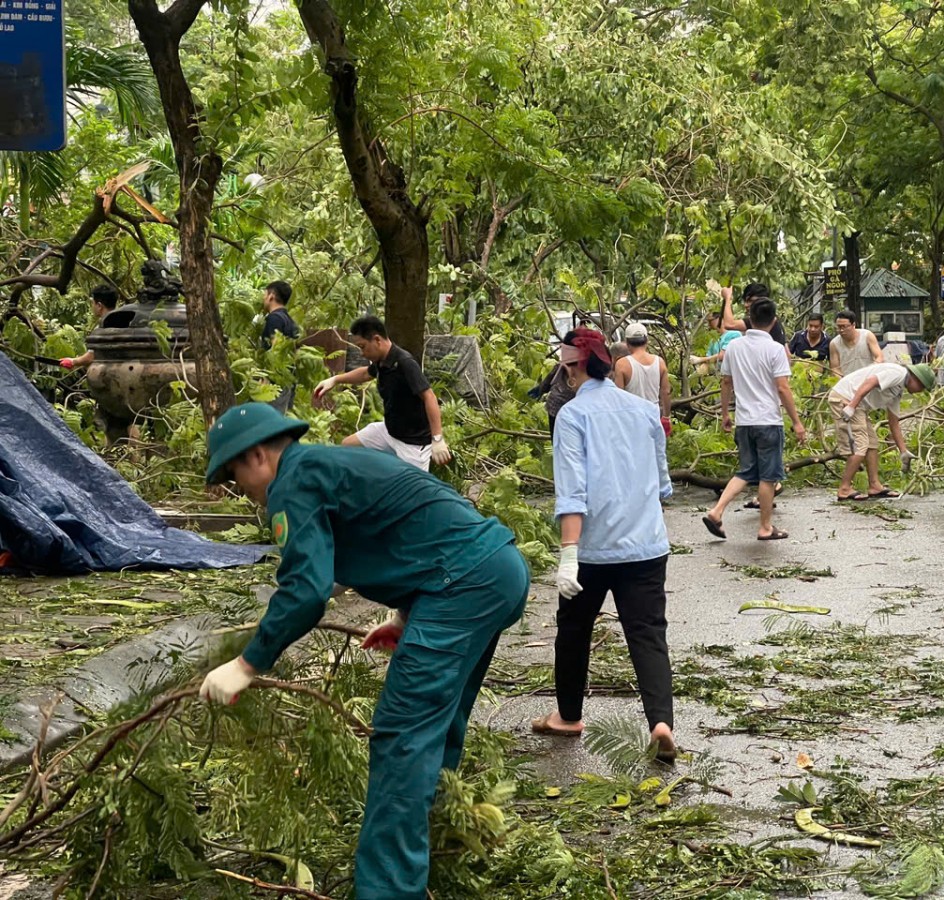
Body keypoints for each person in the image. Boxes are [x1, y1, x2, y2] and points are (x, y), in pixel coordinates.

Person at [199, 403, 528, 900]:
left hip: (461, 585)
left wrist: (248, 663)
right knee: (437, 731)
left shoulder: (294, 482)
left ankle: (389, 891)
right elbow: (418, 523)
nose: (241, 489)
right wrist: (404, 616)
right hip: (495, 569)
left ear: (258, 455)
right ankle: (443, 844)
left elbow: (305, 592)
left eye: (233, 475)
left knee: (402, 738)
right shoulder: (339, 464)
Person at [534, 329, 676, 760]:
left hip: (593, 549)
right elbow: (662, 481)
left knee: (574, 631)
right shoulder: (643, 411)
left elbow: (572, 492)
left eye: (565, 367)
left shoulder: (573, 417)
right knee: (648, 633)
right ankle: (661, 723)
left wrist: (568, 555)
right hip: (647, 544)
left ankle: (569, 716)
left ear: (574, 368)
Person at [701, 299, 806, 541]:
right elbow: (782, 388)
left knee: (747, 471)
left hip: (744, 420)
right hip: (768, 420)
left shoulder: (735, 347)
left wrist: (726, 413)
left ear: (750, 320)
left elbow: (726, 382)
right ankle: (765, 527)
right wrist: (797, 422)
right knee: (768, 476)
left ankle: (716, 511)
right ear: (774, 321)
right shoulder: (775, 350)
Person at [313, 316, 450, 471]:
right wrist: (335, 380)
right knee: (347, 446)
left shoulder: (405, 363)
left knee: (410, 493)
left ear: (377, 340)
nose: (362, 353)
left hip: (413, 444)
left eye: (362, 346)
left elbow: (429, 397)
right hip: (388, 432)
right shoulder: (382, 360)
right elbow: (365, 374)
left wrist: (437, 439)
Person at [828, 362, 935, 501]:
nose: (920, 391)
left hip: (858, 405)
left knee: (872, 443)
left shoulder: (897, 390)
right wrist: (852, 406)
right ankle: (844, 488)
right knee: (860, 445)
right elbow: (870, 381)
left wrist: (903, 451)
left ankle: (875, 485)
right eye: (922, 387)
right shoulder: (898, 373)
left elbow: (893, 422)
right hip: (846, 398)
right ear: (917, 379)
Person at [614, 322, 671, 433]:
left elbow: (618, 397)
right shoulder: (659, 362)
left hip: (631, 420)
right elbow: (666, 391)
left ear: (627, 343)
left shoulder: (622, 364)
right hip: (653, 418)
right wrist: (666, 417)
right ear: (647, 341)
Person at [261, 280, 301, 412]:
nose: (263, 297)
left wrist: (266, 377)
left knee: (270, 422)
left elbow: (276, 351)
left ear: (271, 296)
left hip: (275, 382)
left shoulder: (275, 319)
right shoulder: (289, 319)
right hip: (287, 379)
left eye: (265, 294)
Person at [59, 285, 119, 370]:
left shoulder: (102, 328)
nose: (92, 306)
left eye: (92, 302)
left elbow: (91, 356)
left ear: (99, 305)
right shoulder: (123, 321)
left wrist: (72, 361)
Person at [720, 283, 788, 347]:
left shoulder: (761, 319)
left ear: (763, 301)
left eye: (751, 301)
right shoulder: (773, 319)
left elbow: (729, 324)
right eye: (746, 301)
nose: (746, 305)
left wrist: (728, 298)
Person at [829, 309, 883, 377]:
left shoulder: (867, 336)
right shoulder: (834, 343)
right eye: (839, 327)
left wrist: (871, 371)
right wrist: (842, 380)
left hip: (868, 378)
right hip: (847, 381)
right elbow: (835, 368)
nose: (841, 330)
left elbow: (879, 357)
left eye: (844, 326)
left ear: (853, 325)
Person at [690, 309, 742, 374]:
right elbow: (708, 359)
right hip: (718, 375)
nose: (709, 323)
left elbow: (723, 355)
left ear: (721, 319)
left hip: (733, 374)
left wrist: (699, 359)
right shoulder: (713, 340)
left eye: (711, 320)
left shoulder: (734, 334)